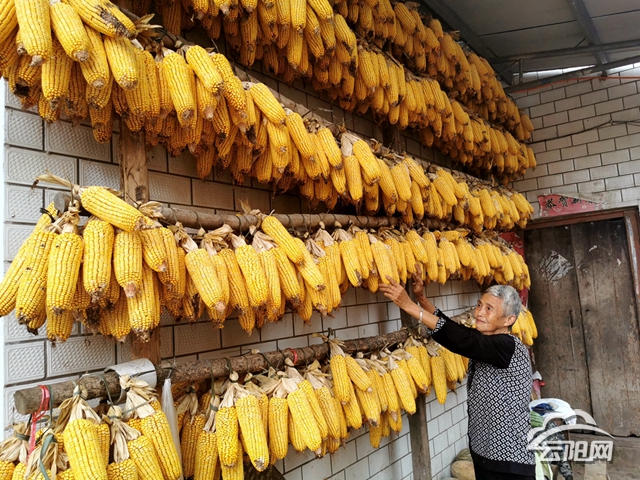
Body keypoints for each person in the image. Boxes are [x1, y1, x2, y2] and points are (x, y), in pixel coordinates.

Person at [379, 266, 535, 480]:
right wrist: (421, 299)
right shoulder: (489, 341)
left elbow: (461, 340)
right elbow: (456, 330)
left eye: (489, 309)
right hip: (485, 456)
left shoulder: (508, 347)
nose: (480, 313)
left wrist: (409, 306)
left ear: (508, 320)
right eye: (479, 305)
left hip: (509, 461)